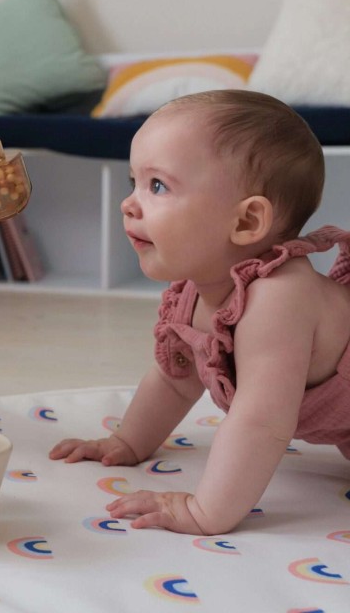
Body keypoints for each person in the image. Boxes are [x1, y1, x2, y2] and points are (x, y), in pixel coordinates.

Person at [50, 89, 350, 535]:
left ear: (247, 222)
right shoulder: (195, 289)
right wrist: (128, 442)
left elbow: (262, 422)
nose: (129, 203)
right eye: (132, 182)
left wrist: (204, 510)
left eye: (157, 186)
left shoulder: (279, 298)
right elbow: (175, 380)